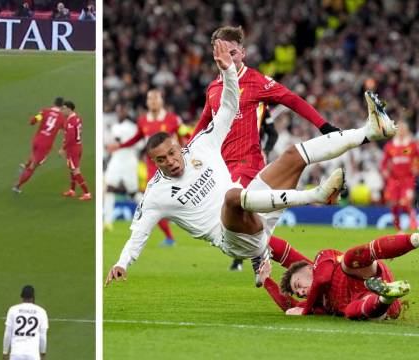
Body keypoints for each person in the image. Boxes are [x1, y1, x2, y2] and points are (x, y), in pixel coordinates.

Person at [105, 39, 397, 288]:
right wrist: (122, 263)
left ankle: (369, 132)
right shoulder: (156, 192)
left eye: (171, 153)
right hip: (232, 238)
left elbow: (229, 107)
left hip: (256, 206)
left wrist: (229, 72)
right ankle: (316, 196)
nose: (170, 162)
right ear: (153, 162)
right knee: (233, 198)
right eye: (161, 160)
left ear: (178, 146)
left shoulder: (200, 147)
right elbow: (139, 233)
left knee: (293, 155)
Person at [193, 26, 340, 272]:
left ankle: (267, 258)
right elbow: (203, 124)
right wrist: (188, 153)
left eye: (233, 52)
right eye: (222, 52)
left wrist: (323, 125)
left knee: (237, 220)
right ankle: (300, 268)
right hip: (221, 168)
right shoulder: (213, 88)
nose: (228, 58)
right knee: (243, 228)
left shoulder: (256, 81)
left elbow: (292, 100)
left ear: (243, 52)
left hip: (247, 163)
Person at [260, 233, 416, 320]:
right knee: (350, 312)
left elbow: (322, 279)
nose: (300, 293)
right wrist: (266, 280)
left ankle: (413, 239)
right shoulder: (316, 304)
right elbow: (290, 306)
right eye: (299, 294)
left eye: (298, 285)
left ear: (309, 269)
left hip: (363, 272)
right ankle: (386, 297)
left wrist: (256, 236)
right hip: (378, 306)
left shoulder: (322, 257)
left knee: (348, 260)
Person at [106, 89, 183, 246]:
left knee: (177, 199)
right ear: (147, 102)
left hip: (173, 165)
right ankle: (169, 237)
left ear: (162, 101)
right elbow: (136, 139)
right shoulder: (142, 121)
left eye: (156, 98)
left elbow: (183, 138)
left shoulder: (172, 119)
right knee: (152, 202)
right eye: (150, 99)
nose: (153, 101)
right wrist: (119, 146)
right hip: (153, 167)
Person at [12, 97, 65, 194]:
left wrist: (34, 121)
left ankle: (24, 166)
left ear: (54, 103)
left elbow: (34, 120)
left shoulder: (45, 111)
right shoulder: (62, 117)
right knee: (33, 167)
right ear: (62, 106)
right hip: (45, 145)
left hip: (36, 140)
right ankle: (17, 186)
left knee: (34, 154)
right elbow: (63, 129)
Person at [104, 103, 140, 230]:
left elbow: (137, 144)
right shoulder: (115, 126)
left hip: (129, 161)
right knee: (109, 188)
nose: (120, 113)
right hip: (116, 160)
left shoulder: (132, 127)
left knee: (133, 193)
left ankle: (150, 213)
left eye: (122, 111)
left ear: (126, 112)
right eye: (118, 111)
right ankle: (108, 222)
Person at [380, 121, 419, 231]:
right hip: (394, 180)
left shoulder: (411, 145)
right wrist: (384, 171)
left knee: (406, 203)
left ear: (406, 131)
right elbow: (384, 163)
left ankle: (414, 225)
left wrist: (416, 167)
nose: (401, 131)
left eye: (403, 129)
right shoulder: (390, 146)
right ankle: (399, 229)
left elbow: (417, 159)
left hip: (407, 179)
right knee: (394, 205)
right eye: (399, 129)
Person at [2, 285, 48, 360]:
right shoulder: (41, 311)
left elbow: (7, 333)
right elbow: (43, 336)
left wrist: (5, 352)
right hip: (33, 355)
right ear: (33, 297)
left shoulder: (13, 310)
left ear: (22, 297)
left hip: (16, 354)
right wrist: (43, 353)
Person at [60, 100, 91, 201]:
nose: (62, 110)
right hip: (78, 146)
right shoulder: (77, 118)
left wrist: (63, 149)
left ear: (69, 109)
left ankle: (87, 193)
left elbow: (71, 137)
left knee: (76, 171)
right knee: (72, 169)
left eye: (64, 108)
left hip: (73, 148)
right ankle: (72, 190)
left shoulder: (70, 121)